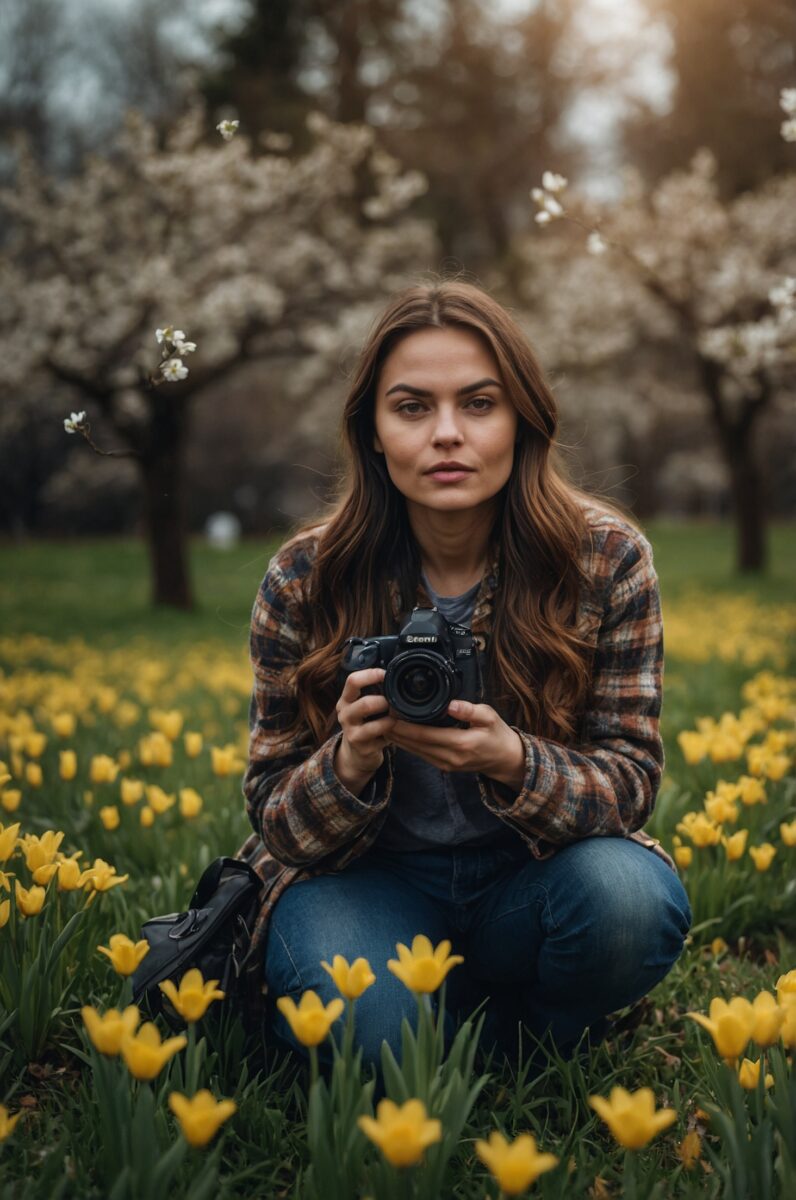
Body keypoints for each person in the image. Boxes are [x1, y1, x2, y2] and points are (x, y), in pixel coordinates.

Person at [234, 278, 692, 1096]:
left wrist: (514, 759)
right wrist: (349, 763)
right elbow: (273, 813)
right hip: (364, 880)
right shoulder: (307, 577)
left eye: (479, 403)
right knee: (374, 1040)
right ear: (373, 432)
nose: (447, 434)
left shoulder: (604, 560)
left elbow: (631, 783)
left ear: (521, 418)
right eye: (411, 408)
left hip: (533, 875)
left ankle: (525, 1035)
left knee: (627, 901)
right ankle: (477, 1029)